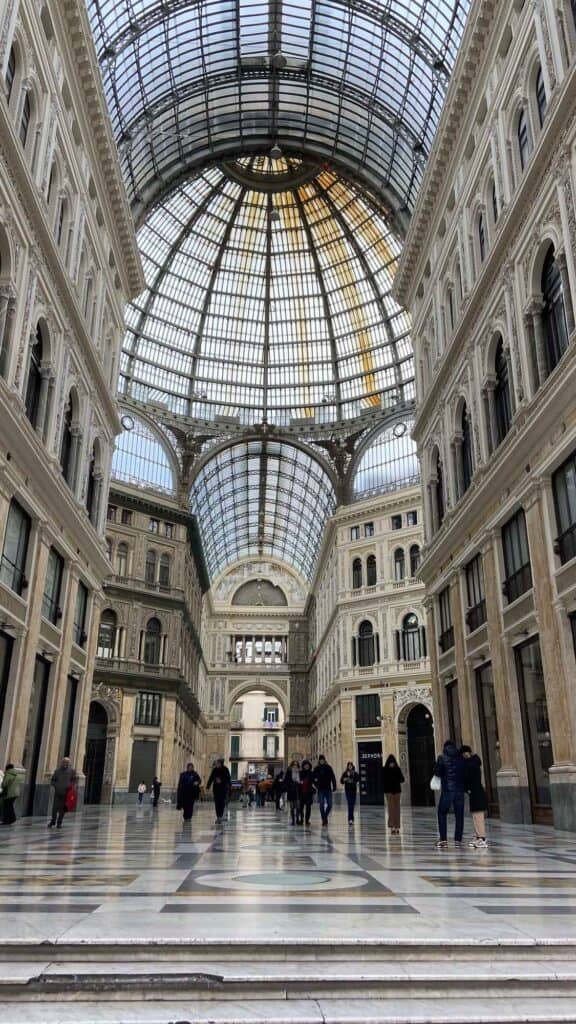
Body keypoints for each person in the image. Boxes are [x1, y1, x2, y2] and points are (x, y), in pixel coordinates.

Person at [433, 740, 467, 849]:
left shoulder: (442, 758)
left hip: (448, 790)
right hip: (459, 791)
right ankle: (458, 840)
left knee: (442, 813)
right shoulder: (461, 758)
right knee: (459, 815)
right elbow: (464, 773)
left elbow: (437, 772)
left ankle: (443, 840)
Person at [460, 745, 489, 849]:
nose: (463, 756)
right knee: (476, 816)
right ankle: (478, 837)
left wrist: (465, 787)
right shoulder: (473, 763)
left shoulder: (471, 764)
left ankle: (482, 838)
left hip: (476, 792)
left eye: (464, 754)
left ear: (467, 753)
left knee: (478, 816)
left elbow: (468, 778)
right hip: (475, 792)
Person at [48, 757, 77, 829]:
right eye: (64, 762)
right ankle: (53, 820)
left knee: (63, 809)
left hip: (66, 793)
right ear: (62, 763)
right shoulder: (57, 771)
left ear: (69, 763)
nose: (65, 764)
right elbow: (52, 780)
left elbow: (74, 780)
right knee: (55, 808)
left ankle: (59, 822)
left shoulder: (71, 771)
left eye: (67, 762)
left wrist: (71, 785)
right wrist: (56, 786)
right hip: (58, 793)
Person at [382, 754, 405, 834]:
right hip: (388, 792)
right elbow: (382, 780)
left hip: (397, 791)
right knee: (391, 809)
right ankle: (392, 826)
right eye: (390, 763)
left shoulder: (397, 769)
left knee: (397, 809)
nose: (392, 764)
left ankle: (397, 827)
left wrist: (396, 777)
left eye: (393, 763)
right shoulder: (385, 769)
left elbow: (402, 779)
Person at [313, 755, 337, 826]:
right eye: (320, 760)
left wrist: (334, 786)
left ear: (324, 760)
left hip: (328, 789)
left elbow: (333, 777)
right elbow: (313, 778)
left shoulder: (329, 767)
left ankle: (325, 817)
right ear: (319, 761)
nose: (322, 761)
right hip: (320, 789)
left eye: (323, 760)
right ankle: (324, 820)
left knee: (330, 804)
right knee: (321, 804)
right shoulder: (316, 768)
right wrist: (316, 785)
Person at [206, 757, 231, 824]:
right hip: (216, 789)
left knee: (222, 803)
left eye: (217, 763)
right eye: (216, 763)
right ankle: (218, 816)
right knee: (217, 803)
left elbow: (228, 778)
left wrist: (221, 780)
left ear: (221, 763)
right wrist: (208, 786)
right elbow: (211, 778)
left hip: (223, 789)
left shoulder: (226, 769)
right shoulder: (214, 770)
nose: (216, 764)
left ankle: (220, 816)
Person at [284, 760, 302, 825]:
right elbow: (286, 780)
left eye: (296, 765)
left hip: (298, 790)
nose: (295, 766)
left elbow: (302, 780)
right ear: (292, 765)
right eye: (294, 765)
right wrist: (290, 785)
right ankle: (293, 820)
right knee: (292, 806)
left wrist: (300, 783)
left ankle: (297, 819)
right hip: (291, 791)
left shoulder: (300, 772)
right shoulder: (289, 771)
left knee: (298, 806)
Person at [299, 760, 315, 825]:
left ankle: (307, 820)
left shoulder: (311, 773)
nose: (306, 766)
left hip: (309, 793)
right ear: (303, 766)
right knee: (300, 807)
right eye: (305, 765)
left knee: (308, 807)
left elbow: (314, 781)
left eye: (307, 765)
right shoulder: (300, 773)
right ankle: (301, 819)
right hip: (301, 793)